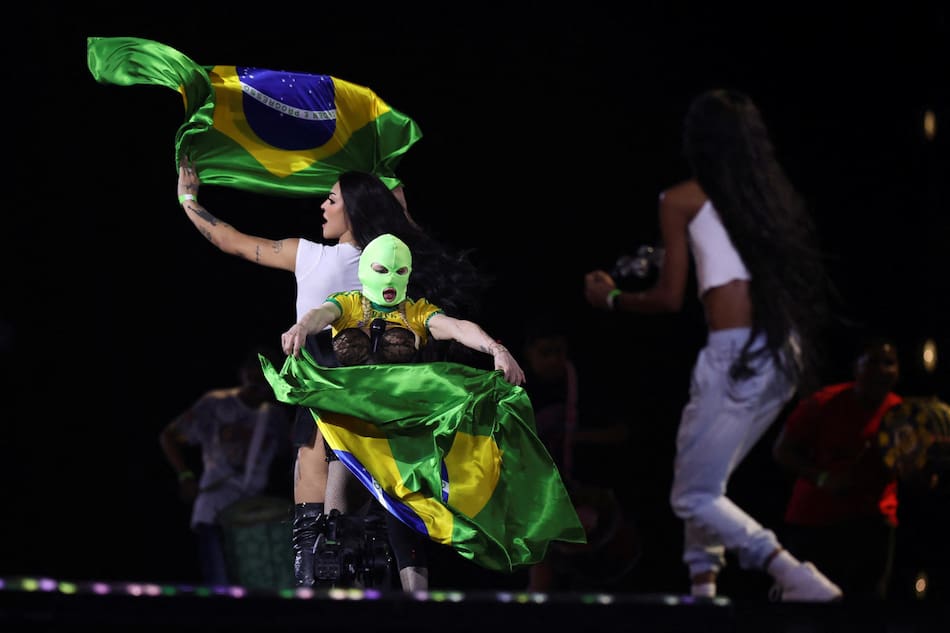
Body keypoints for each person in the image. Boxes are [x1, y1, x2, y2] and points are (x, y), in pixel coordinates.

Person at [583, 89, 842, 602]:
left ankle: (795, 576)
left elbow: (667, 299)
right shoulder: (766, 203)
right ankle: (703, 588)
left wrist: (610, 298)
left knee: (694, 492)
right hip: (781, 353)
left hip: (736, 355)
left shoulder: (680, 200)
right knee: (700, 473)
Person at [177, 160, 487, 587]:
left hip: (326, 412)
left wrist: (188, 200)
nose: (322, 206)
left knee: (316, 553)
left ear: (353, 211)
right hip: (386, 420)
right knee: (379, 543)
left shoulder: (312, 257)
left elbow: (230, 241)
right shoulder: (402, 270)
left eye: (331, 199)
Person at [279, 233, 525, 591]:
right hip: (351, 430)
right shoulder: (347, 304)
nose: (390, 279)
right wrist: (302, 326)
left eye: (400, 271)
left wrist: (496, 349)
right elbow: (321, 315)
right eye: (381, 269)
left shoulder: (416, 312)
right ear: (366, 269)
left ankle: (418, 606)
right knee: (337, 530)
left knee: (403, 518)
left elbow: (457, 328)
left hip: (399, 432)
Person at [772, 337, 901, 600]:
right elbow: (781, 451)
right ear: (856, 368)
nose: (881, 369)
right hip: (816, 522)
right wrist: (823, 478)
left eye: (889, 363)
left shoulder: (904, 414)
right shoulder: (823, 403)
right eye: (872, 362)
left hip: (872, 524)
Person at [158, 344, 292, 585]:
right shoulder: (215, 405)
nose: (258, 378)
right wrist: (185, 476)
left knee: (255, 587)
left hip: (254, 517)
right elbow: (169, 436)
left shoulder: (275, 417)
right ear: (243, 373)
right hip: (214, 510)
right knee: (219, 585)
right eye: (253, 370)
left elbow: (287, 460)